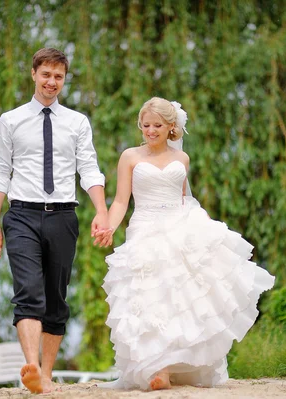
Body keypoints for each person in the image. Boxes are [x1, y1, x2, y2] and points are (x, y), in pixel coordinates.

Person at [95, 97, 275, 391]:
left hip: (178, 225)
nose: (150, 130)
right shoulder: (129, 156)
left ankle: (173, 365)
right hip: (144, 227)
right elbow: (120, 201)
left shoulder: (182, 160)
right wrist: (109, 227)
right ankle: (159, 368)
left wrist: (198, 226)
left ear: (170, 127)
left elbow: (183, 198)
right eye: (146, 125)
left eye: (157, 125)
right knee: (151, 296)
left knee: (178, 297)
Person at [0, 47, 109, 394]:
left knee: (56, 296)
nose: (52, 82)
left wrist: (101, 210)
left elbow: (88, 169)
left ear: (64, 79)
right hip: (21, 214)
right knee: (28, 292)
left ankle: (47, 375)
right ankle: (33, 367)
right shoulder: (10, 120)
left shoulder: (77, 122)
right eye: (46, 75)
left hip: (63, 216)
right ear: (33, 74)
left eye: (58, 76)